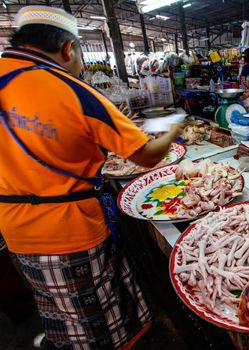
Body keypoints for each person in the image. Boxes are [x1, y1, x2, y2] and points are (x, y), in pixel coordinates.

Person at [0, 6, 185, 349]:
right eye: (81, 54)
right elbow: (146, 155)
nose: (83, 65)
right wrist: (175, 126)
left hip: (14, 230)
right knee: (98, 326)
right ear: (69, 49)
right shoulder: (71, 89)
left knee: (57, 312)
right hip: (69, 233)